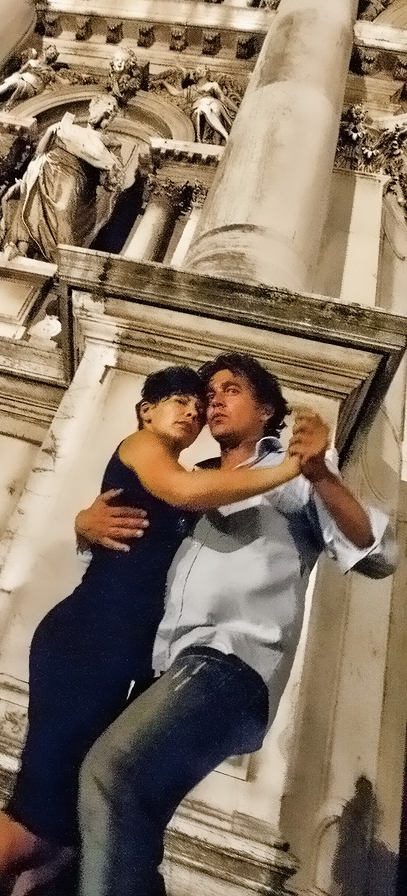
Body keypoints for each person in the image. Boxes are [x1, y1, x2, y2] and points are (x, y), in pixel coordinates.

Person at [0, 364, 303, 896]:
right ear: (145, 411)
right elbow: (186, 493)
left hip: (113, 655)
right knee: (34, 826)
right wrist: (294, 466)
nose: (193, 411)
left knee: (65, 835)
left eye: (197, 408)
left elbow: (183, 515)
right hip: (89, 641)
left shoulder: (196, 475)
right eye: (177, 400)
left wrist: (85, 526)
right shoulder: (149, 451)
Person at [73, 352, 395, 896]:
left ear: (267, 409)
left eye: (231, 389)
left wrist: (318, 474)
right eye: (207, 394)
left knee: (111, 771)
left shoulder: (289, 474)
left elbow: (377, 552)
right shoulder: (189, 480)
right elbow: (124, 548)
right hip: (164, 669)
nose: (213, 399)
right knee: (130, 819)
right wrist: (84, 525)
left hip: (230, 662)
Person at [0, 94, 130, 261]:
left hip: (75, 177)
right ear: (93, 107)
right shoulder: (68, 128)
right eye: (107, 105)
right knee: (31, 199)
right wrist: (51, 130)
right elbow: (40, 152)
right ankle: (21, 247)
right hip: (47, 167)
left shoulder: (111, 141)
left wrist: (109, 171)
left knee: (63, 210)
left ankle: (56, 258)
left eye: (113, 110)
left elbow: (113, 173)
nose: (110, 110)